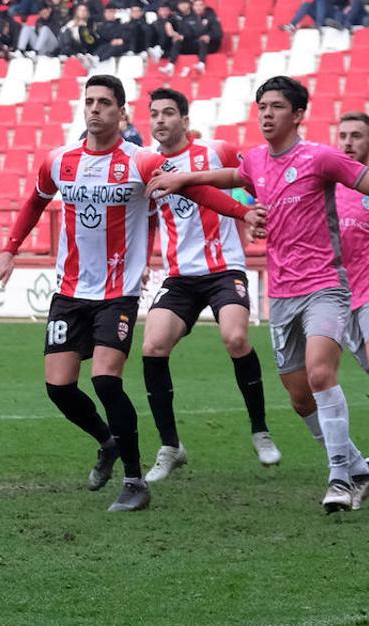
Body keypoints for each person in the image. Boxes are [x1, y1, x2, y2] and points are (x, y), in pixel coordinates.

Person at [0, 75, 265, 512]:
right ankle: (108, 440)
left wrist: (243, 211)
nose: (94, 109)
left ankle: (135, 481)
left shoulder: (142, 160)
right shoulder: (60, 160)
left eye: (104, 103)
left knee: (104, 379)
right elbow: (35, 202)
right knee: (59, 388)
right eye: (89, 102)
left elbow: (195, 187)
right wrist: (9, 251)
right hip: (69, 290)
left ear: (121, 112)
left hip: (118, 293)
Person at [147, 76, 369, 512]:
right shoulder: (258, 162)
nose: (266, 114)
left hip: (326, 286)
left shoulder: (322, 158)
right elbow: (234, 173)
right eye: (262, 106)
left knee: (321, 375)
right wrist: (186, 178)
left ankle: (340, 477)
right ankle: (359, 466)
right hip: (282, 295)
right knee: (300, 395)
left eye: (277, 107)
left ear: (298, 114)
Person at [137, 88, 279, 481]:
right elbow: (147, 216)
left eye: (169, 113)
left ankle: (260, 430)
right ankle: (170, 446)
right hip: (180, 276)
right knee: (152, 345)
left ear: (185, 119)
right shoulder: (147, 165)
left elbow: (257, 179)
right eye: (154, 114)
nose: (160, 120)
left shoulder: (217, 150)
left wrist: (253, 214)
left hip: (224, 269)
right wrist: (145, 259)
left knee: (235, 337)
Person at [337, 113, 369, 379]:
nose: (348, 142)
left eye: (356, 136)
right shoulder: (330, 186)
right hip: (344, 294)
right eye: (343, 136)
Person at [176, 0, 222, 72]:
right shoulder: (189, 18)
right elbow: (189, 34)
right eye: (196, 5)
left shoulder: (211, 16)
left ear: (204, 6)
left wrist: (209, 36)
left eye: (201, 5)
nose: (198, 7)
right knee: (178, 41)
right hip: (196, 43)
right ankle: (171, 64)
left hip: (211, 44)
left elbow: (219, 33)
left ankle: (201, 64)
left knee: (202, 40)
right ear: (193, 7)